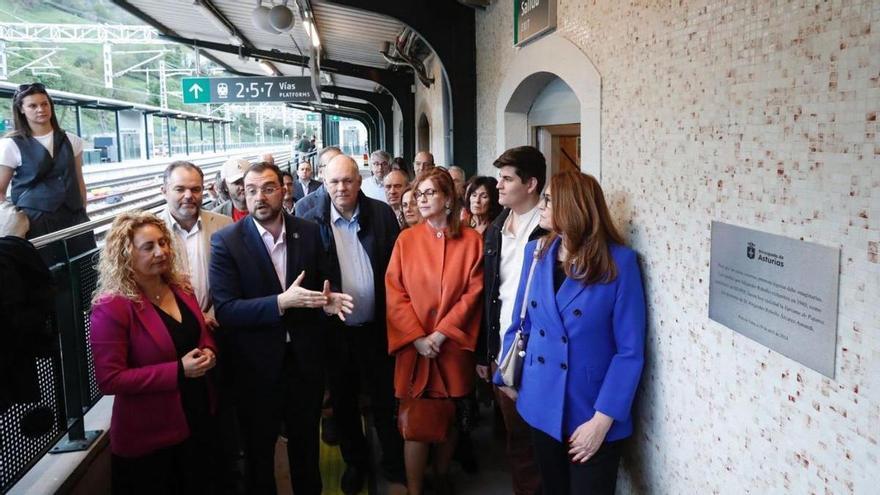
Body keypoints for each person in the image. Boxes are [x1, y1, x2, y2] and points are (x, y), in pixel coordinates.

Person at [495, 171, 646, 495]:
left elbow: (629, 351)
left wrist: (601, 421)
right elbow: (522, 320)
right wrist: (509, 378)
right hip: (540, 401)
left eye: (548, 200)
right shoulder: (536, 253)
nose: (542, 206)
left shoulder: (619, 263)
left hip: (591, 410)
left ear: (573, 207)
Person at [209, 161, 353, 495]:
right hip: (255, 369)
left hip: (304, 366)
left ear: (283, 190)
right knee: (259, 456)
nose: (260, 197)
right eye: (251, 190)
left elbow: (319, 292)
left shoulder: (308, 231)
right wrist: (280, 302)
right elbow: (227, 310)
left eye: (268, 188)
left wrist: (326, 305)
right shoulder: (226, 242)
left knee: (306, 451)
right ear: (243, 194)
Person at [298, 155, 406, 495]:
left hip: (377, 327)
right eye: (334, 182)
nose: (342, 188)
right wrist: (321, 303)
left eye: (348, 181)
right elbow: (300, 273)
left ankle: (393, 464)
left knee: (385, 399)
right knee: (343, 404)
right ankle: (356, 463)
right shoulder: (306, 215)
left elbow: (395, 267)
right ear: (323, 183)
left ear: (359, 181)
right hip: (334, 332)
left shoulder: (382, 213)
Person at [89, 211, 219, 494]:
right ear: (125, 255)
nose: (161, 251)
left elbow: (202, 333)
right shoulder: (111, 306)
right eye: (148, 247)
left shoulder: (181, 287)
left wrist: (209, 350)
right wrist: (177, 371)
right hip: (151, 434)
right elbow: (110, 379)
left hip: (196, 414)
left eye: (163, 242)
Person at [385, 168, 484, 495]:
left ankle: (441, 477)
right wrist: (416, 337)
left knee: (451, 414)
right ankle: (415, 489)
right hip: (414, 347)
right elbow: (395, 293)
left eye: (430, 193)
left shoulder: (471, 240)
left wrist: (441, 334)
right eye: (419, 194)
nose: (422, 199)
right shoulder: (406, 240)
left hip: (451, 346)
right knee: (414, 421)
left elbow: (473, 293)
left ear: (448, 199)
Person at [476, 145, 547, 495]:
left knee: (541, 445)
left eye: (507, 179)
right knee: (517, 443)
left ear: (531, 183)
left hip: (540, 353)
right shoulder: (496, 230)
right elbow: (489, 294)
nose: (498, 186)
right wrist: (485, 354)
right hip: (503, 349)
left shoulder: (550, 231)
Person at [0, 82, 94, 256]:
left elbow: (78, 180)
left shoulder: (71, 140)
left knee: (83, 268)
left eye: (44, 104)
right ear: (21, 109)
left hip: (74, 217)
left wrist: (82, 210)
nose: (40, 109)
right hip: (35, 223)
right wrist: (13, 219)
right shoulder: (10, 145)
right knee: (48, 273)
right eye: (32, 105)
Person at [294, 146, 341, 216]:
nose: (336, 168)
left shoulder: (357, 197)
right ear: (320, 172)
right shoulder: (303, 206)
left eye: (339, 164)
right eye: (330, 165)